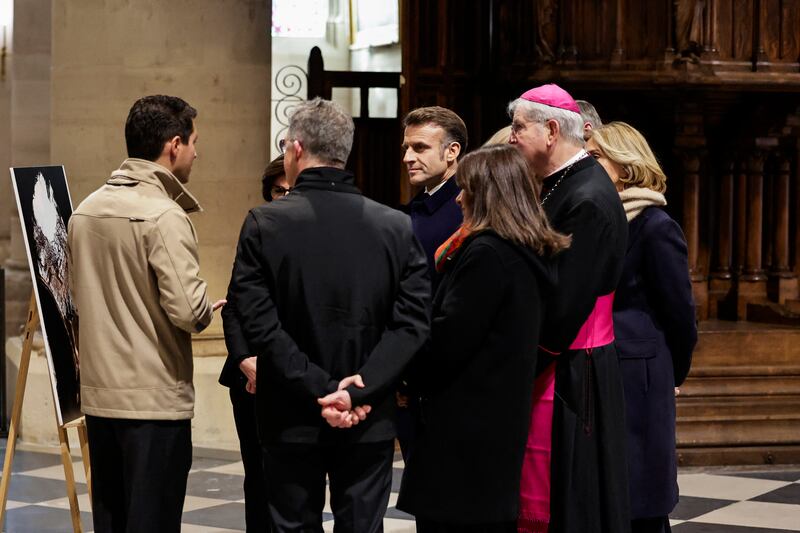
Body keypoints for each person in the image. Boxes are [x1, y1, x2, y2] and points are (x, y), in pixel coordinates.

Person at [229, 97, 430, 533]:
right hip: (367, 413)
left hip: (290, 412)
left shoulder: (264, 223)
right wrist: (358, 392)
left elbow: (260, 323)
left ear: (296, 148)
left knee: (293, 526)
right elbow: (413, 323)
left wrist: (321, 389)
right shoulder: (394, 225)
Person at [68, 95, 225, 532]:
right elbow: (190, 314)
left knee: (112, 521)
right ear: (174, 145)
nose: (197, 152)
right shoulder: (163, 215)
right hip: (153, 404)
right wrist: (203, 306)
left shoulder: (84, 210)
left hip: (100, 400)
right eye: (194, 142)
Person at [397, 145, 569, 533]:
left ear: (489, 194)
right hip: (492, 422)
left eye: (466, 189)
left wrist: (407, 373)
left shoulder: (487, 254)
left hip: (465, 432)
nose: (458, 198)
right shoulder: (522, 249)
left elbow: (448, 342)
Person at [508, 84, 629, 533]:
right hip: (567, 363)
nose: (511, 137)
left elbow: (563, 307)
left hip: (571, 369)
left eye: (520, 127)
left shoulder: (587, 198)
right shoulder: (561, 185)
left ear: (552, 130)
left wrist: (515, 363)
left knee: (570, 498)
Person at [587, 122, 697, 533]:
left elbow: (680, 312)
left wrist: (675, 370)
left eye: (596, 156)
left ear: (626, 166)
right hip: (599, 364)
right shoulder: (596, 218)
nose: (586, 164)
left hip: (641, 375)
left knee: (640, 496)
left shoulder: (654, 226)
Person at [218, 154, 290, 532]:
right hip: (250, 375)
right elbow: (233, 307)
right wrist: (245, 358)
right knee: (257, 473)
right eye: (278, 191)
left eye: (292, 190)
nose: (285, 197)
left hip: (297, 373)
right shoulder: (256, 230)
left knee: (294, 477)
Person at [397, 106, 467, 460]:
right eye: (407, 148)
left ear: (452, 152)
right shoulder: (413, 210)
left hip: (447, 374)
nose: (408, 157)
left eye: (420, 148)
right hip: (413, 370)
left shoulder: (465, 211)